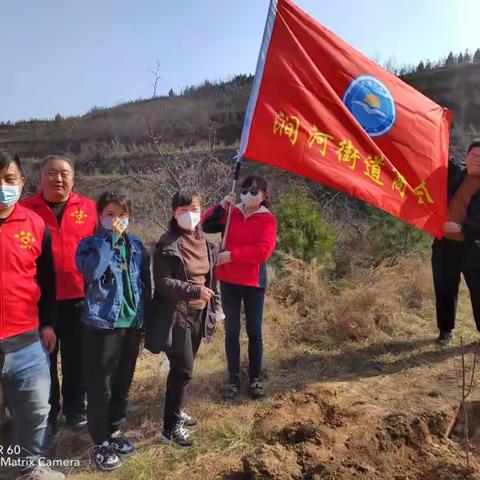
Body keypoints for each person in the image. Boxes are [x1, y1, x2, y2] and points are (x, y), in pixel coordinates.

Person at [22, 153, 97, 433]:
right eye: (51, 173)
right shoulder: (25, 211)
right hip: (40, 302)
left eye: (64, 173)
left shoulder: (89, 208)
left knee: (77, 358)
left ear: (73, 178)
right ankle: (49, 412)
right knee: (44, 360)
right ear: (40, 178)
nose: (58, 178)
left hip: (80, 299)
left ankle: (76, 409)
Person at [0, 152, 64, 479]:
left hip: (27, 341)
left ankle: (29, 470)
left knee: (36, 412)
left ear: (21, 183)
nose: (2, 187)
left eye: (9, 180)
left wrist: (49, 323)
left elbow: (47, 279)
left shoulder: (35, 224)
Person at [76, 190, 151, 471]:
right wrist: (111, 241)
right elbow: (91, 272)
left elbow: (144, 282)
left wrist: (146, 319)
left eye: (122, 214)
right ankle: (100, 440)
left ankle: (115, 431)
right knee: (101, 386)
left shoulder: (136, 245)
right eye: (110, 214)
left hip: (131, 324)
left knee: (123, 382)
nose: (116, 219)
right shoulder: (89, 245)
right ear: (100, 216)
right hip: (102, 325)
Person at [145, 190, 220, 448]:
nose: (190, 215)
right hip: (176, 315)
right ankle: (169, 429)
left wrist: (215, 307)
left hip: (200, 311)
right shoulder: (166, 244)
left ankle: (177, 410)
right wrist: (193, 291)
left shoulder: (207, 243)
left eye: (195, 209)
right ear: (173, 213)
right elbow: (163, 283)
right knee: (183, 368)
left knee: (183, 370)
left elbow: (212, 280)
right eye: (183, 210)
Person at [202, 175, 277, 401]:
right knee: (231, 332)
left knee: (254, 332)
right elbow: (205, 224)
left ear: (264, 195)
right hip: (229, 282)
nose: (248, 195)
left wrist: (232, 256)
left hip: (253, 282)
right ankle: (233, 379)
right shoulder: (232, 212)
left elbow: (263, 251)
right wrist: (221, 205)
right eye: (245, 191)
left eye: (254, 192)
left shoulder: (267, 219)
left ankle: (254, 379)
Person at [433, 140, 480, 345]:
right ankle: (445, 330)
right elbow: (437, 151)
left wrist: (463, 228)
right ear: (467, 156)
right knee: (444, 287)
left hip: (472, 247)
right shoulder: (455, 174)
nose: (477, 161)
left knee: (478, 290)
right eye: (474, 156)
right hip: (444, 244)